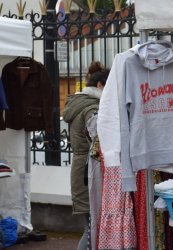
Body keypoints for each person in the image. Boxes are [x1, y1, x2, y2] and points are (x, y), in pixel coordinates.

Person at [63, 64, 110, 250]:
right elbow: (101, 139)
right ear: (100, 85)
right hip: (89, 171)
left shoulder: (79, 103)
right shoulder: (92, 108)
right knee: (91, 229)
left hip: (81, 168)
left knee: (90, 226)